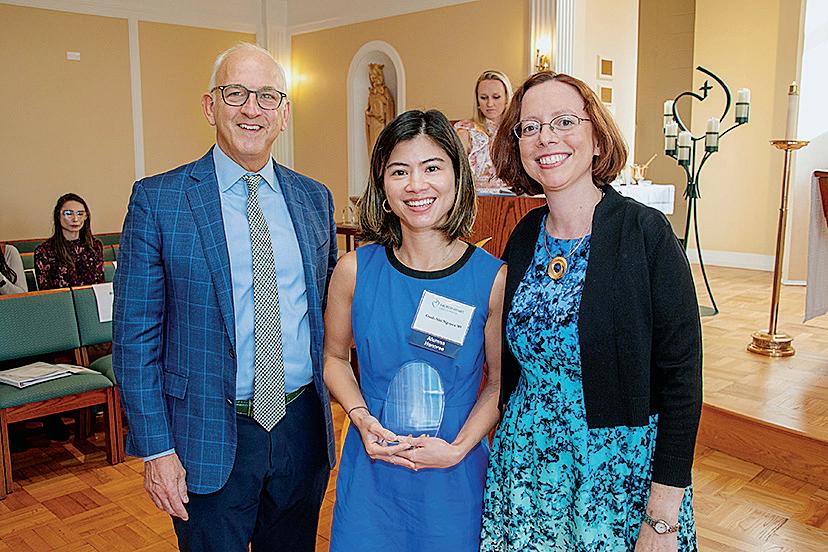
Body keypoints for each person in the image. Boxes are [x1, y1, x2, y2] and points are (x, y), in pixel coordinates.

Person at [112, 43, 338, 552]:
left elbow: (331, 312)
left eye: (266, 96)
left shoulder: (314, 198)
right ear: (210, 106)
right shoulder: (159, 200)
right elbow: (134, 341)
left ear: (284, 113)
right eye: (235, 93)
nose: (251, 109)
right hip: (206, 436)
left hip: (300, 428)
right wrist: (157, 450)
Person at [480, 71, 701, 551]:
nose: (546, 137)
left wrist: (663, 513)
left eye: (564, 121)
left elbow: (682, 377)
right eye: (530, 126)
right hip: (527, 468)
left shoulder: (645, 233)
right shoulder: (524, 235)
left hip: (614, 475)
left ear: (597, 138)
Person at [324, 109, 506, 551]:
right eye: (399, 171)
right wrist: (360, 416)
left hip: (453, 479)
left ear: (457, 179)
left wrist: (458, 449)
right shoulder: (354, 270)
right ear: (383, 187)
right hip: (372, 477)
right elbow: (333, 359)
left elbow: (499, 384)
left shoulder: (492, 278)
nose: (416, 185)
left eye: (432, 168)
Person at [454, 70, 512, 188]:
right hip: (476, 196)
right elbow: (455, 173)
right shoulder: (465, 131)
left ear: (507, 98)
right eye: (484, 98)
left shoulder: (518, 131)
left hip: (515, 196)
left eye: (496, 97)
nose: (490, 104)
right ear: (477, 101)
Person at [34, 193, 104, 290]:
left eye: (80, 214)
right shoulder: (44, 251)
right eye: (69, 214)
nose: (75, 219)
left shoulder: (95, 246)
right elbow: (46, 292)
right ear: (58, 216)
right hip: (60, 299)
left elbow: (99, 285)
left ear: (86, 216)